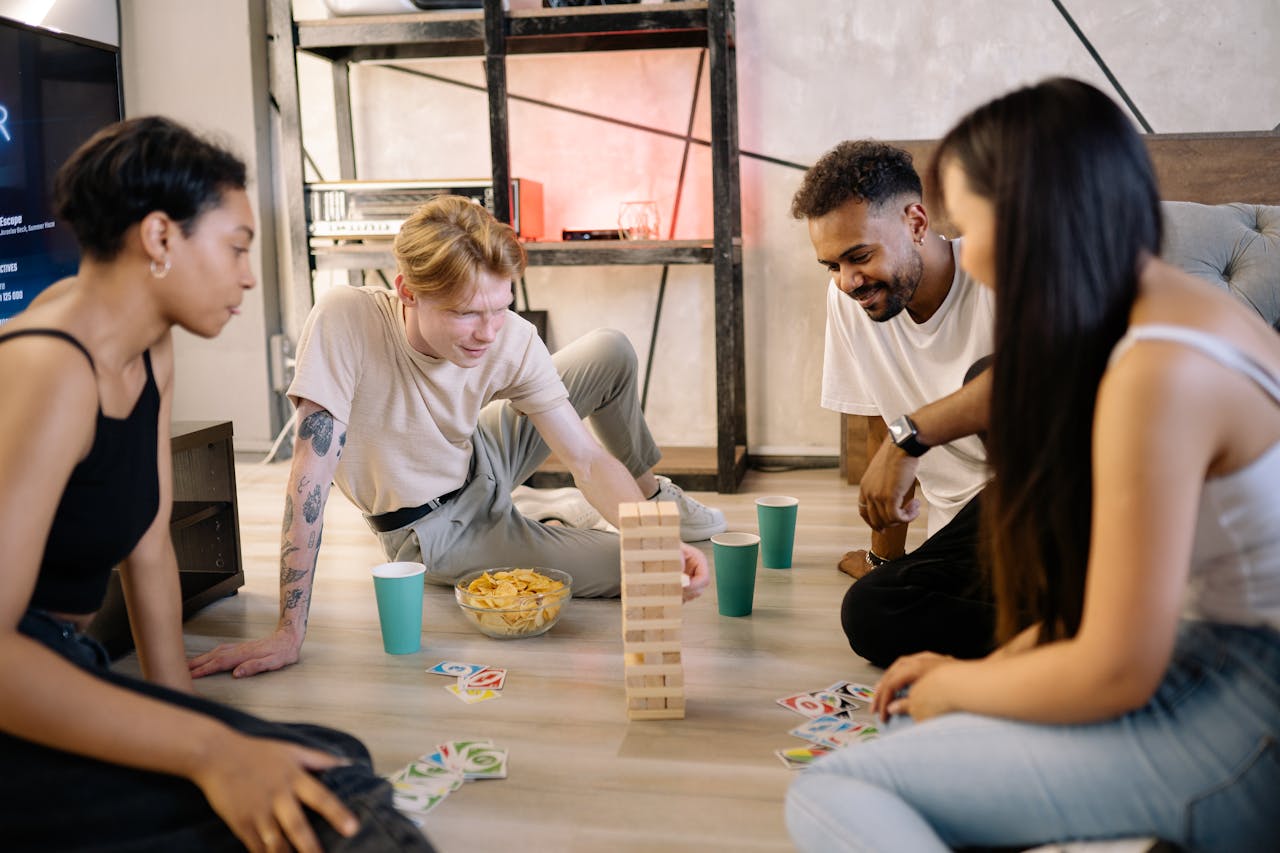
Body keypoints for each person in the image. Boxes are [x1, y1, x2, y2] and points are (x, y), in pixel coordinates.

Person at [787, 77, 1280, 852]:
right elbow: (1095, 596)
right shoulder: (1178, 315)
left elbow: (1117, 666)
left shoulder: (1154, 371)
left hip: (1249, 716)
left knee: (834, 789)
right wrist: (985, 672)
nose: (970, 249)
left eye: (971, 223)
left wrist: (961, 684)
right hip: (1209, 658)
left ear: (1032, 221)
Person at [0, 117, 433, 851]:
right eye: (236, 247)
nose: (247, 275)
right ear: (161, 237)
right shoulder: (48, 369)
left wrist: (187, 722)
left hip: (66, 667)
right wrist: (207, 752)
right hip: (23, 691)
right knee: (338, 807)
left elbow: (147, 546)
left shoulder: (147, 351)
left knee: (330, 758)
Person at [189, 195, 720, 679]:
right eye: (466, 313)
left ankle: (643, 494)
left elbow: (584, 456)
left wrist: (654, 536)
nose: (489, 333)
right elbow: (308, 480)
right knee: (635, 569)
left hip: (476, 453)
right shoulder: (345, 319)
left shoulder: (505, 335)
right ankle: (549, 515)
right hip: (435, 527)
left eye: (500, 307)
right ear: (408, 292)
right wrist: (288, 631)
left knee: (609, 350)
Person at [790, 141, 996, 667]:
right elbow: (882, 426)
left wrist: (911, 437)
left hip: (1051, 502)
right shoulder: (848, 299)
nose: (847, 281)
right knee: (870, 612)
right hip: (967, 537)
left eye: (859, 256)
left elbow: (1034, 385)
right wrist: (885, 558)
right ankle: (1068, 626)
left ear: (917, 223)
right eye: (831, 265)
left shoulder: (1000, 265)